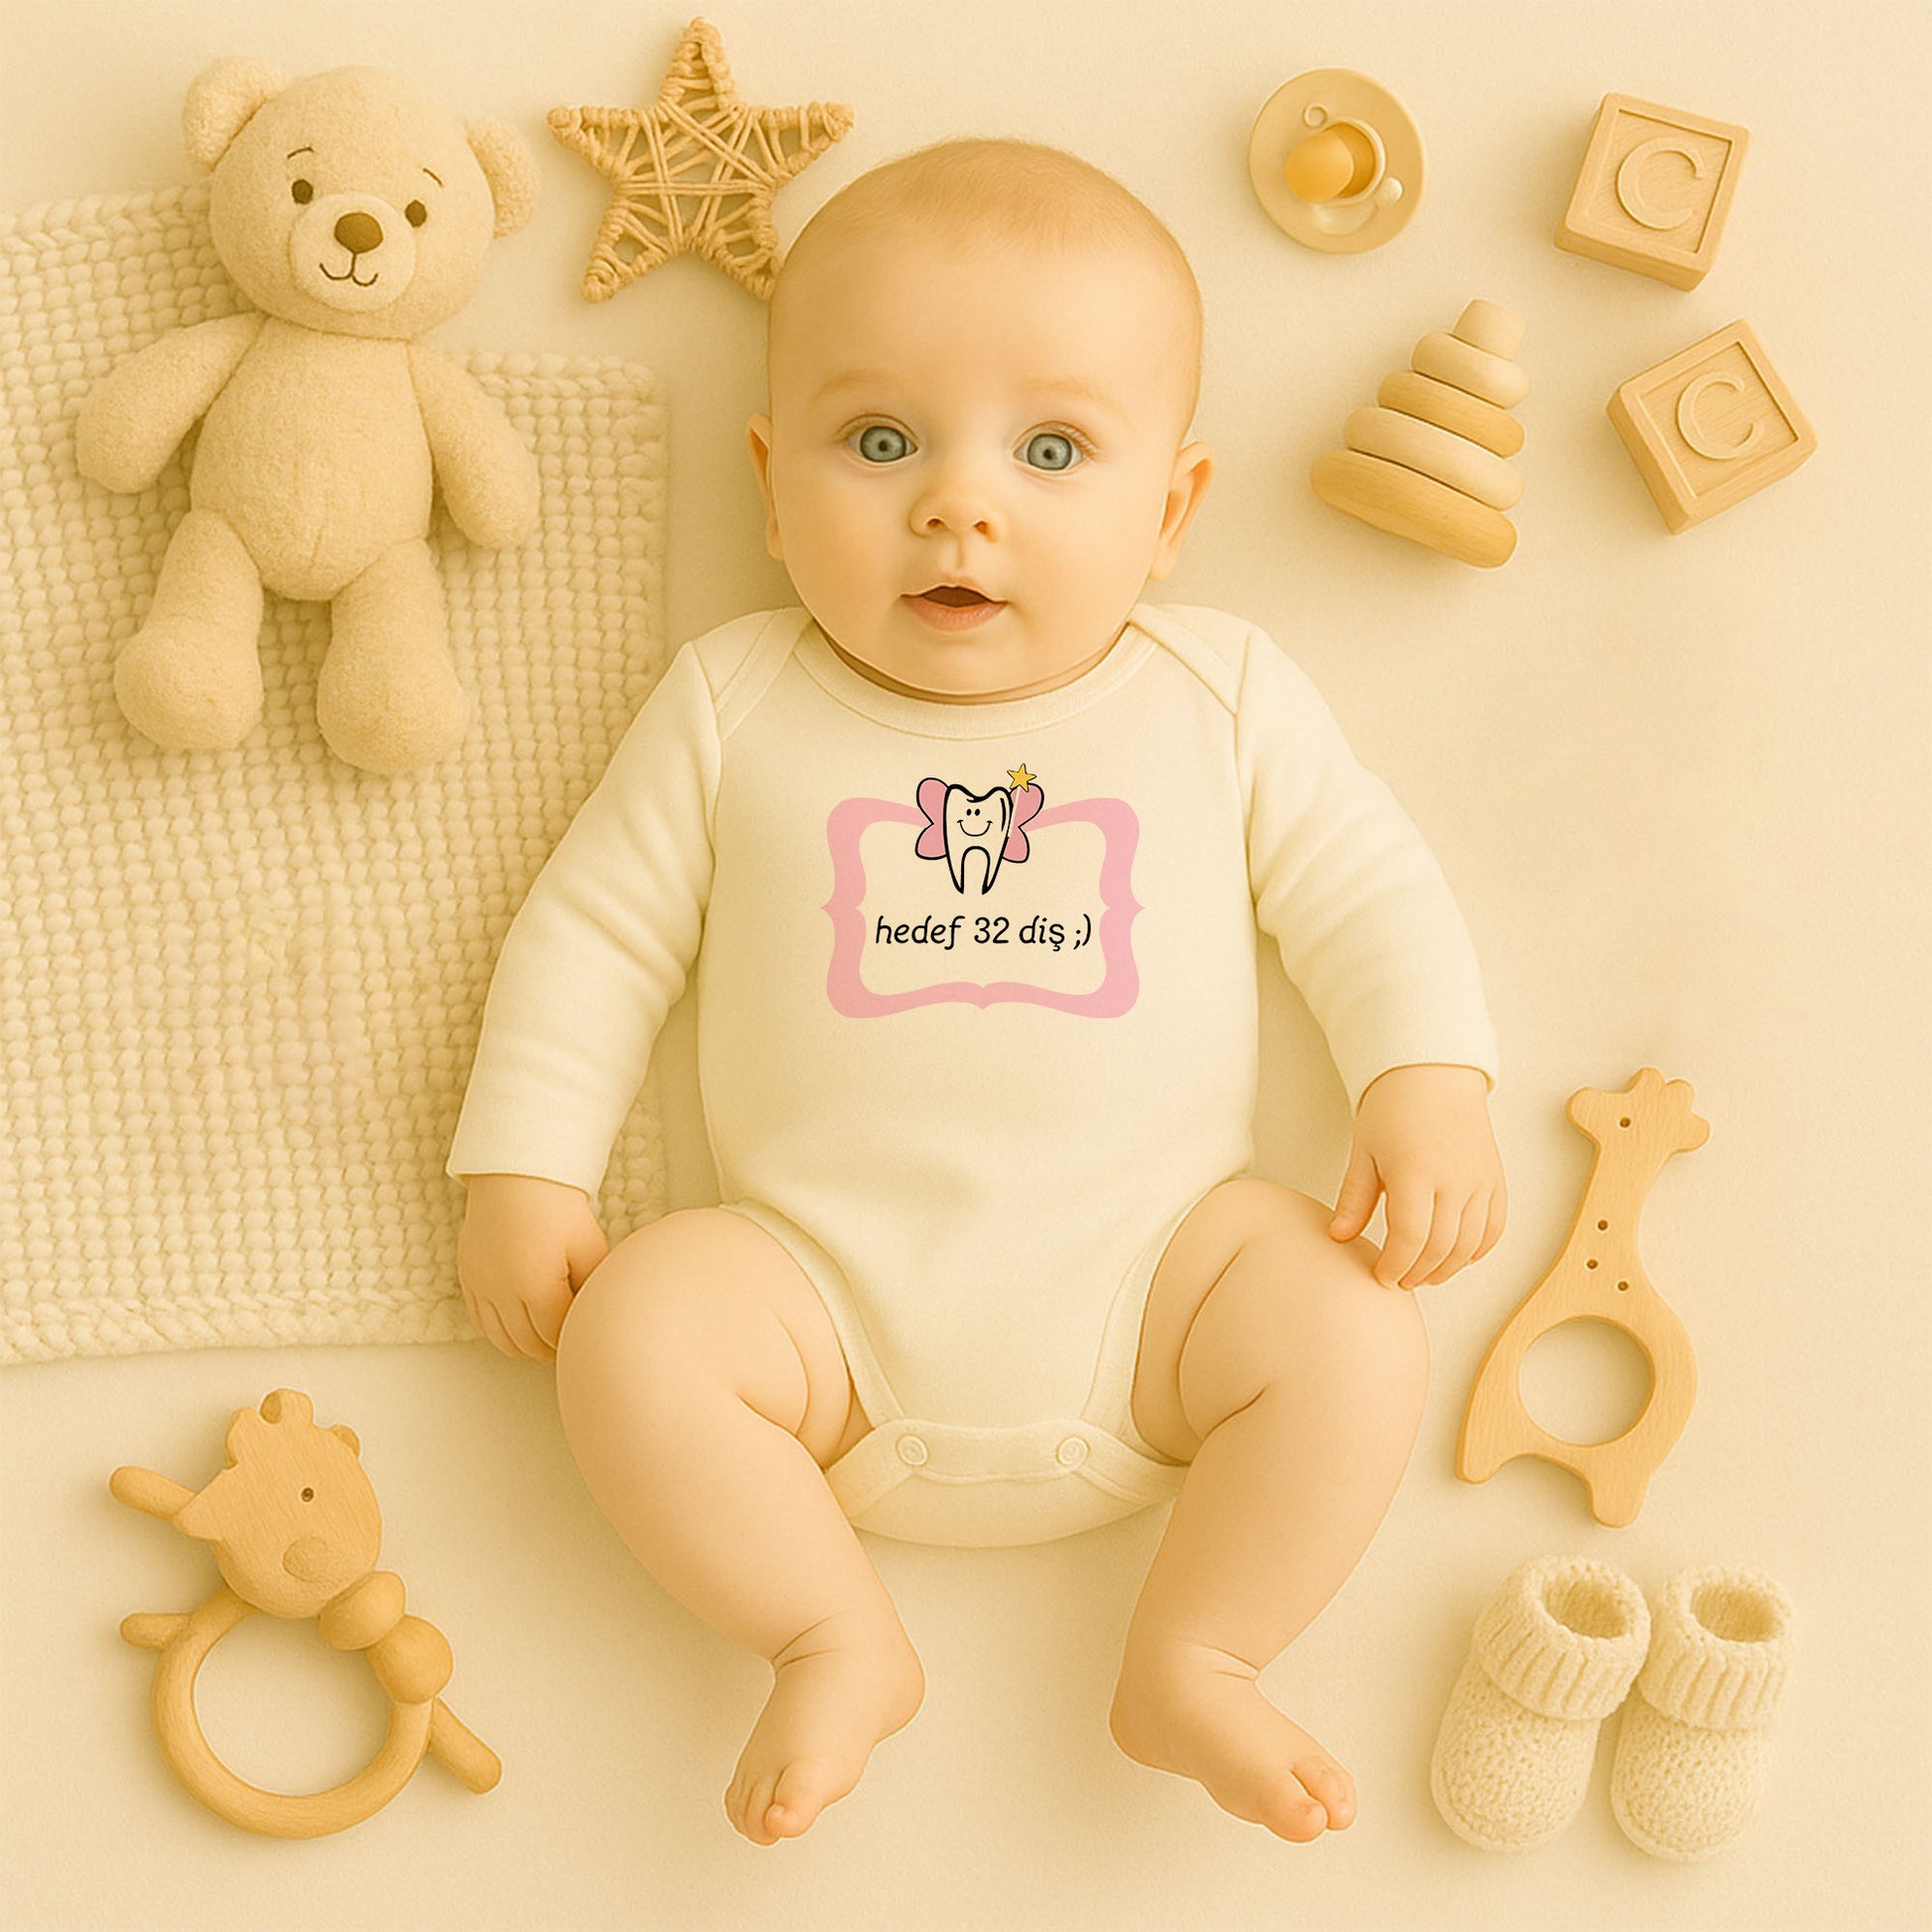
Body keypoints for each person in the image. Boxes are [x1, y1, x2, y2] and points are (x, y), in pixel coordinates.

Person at [451, 137, 1506, 1850]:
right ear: (770, 486)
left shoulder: (1217, 695)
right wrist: (525, 1164)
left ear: (1169, 513)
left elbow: (1364, 887)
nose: (959, 503)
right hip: (817, 1324)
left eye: (1052, 449)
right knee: (635, 1327)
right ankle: (829, 1631)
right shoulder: (733, 703)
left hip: (1163, 1302)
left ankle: (1198, 1650)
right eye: (880, 442)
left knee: (1348, 1316)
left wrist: (1426, 1078)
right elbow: (594, 934)